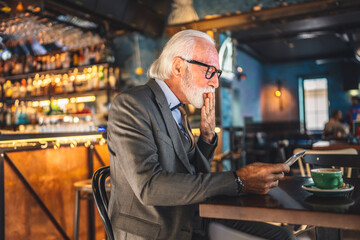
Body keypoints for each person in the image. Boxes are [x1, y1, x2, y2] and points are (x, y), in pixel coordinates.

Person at [107, 30, 294, 240]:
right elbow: (149, 187)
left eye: (217, 73)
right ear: (178, 66)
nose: (215, 83)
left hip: (194, 216)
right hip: (157, 229)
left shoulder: (179, 109)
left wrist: (205, 139)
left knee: (282, 236)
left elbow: (191, 173)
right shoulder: (131, 104)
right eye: (210, 71)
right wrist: (238, 180)